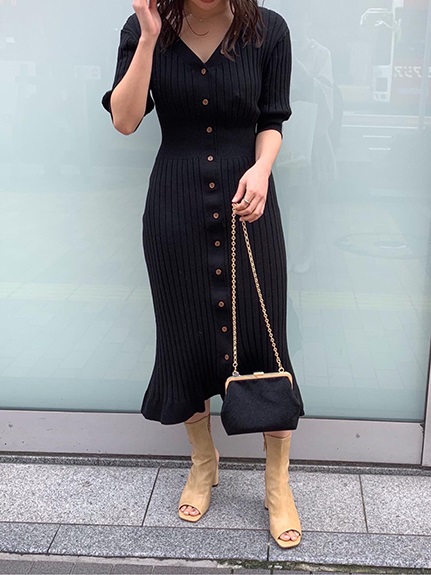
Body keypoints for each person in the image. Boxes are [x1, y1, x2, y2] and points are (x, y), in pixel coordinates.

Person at [102, 0, 304, 549]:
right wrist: (149, 37)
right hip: (176, 208)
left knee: (265, 342)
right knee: (185, 340)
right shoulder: (144, 29)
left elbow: (272, 119)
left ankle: (277, 483)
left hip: (249, 206)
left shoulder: (268, 29)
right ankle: (203, 462)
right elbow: (125, 119)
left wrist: (262, 169)